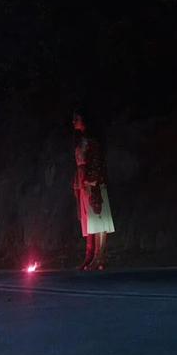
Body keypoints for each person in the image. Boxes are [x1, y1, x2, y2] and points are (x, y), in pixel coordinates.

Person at [72, 111, 115, 270]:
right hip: (85, 182)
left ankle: (99, 256)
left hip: (93, 183)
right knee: (92, 219)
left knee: (99, 217)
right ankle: (93, 257)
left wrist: (92, 180)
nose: (73, 121)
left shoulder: (92, 140)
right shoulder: (83, 140)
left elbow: (96, 160)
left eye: (76, 118)